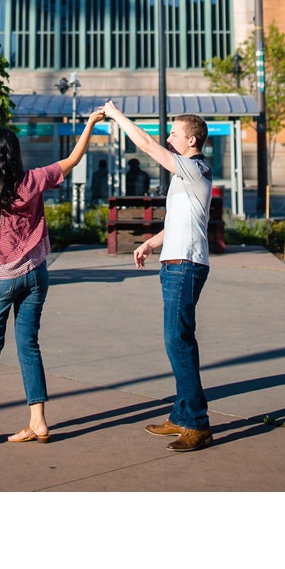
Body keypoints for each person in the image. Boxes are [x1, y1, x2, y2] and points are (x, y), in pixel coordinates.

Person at [0, 120, 93, 445]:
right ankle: (38, 421)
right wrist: (90, 122)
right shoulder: (32, 181)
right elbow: (73, 159)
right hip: (35, 274)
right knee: (28, 346)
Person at [98, 104, 215, 452]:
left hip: (186, 265)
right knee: (177, 341)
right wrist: (150, 243)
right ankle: (181, 415)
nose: (168, 138)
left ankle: (197, 423)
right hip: (174, 263)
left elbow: (148, 145)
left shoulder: (194, 168)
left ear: (191, 140)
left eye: (175, 134)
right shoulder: (184, 177)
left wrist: (117, 115)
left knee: (178, 342)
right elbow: (178, 223)